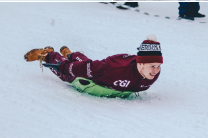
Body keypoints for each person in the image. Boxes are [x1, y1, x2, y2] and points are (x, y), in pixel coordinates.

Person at [24, 34, 163, 97]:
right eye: (152, 66)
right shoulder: (115, 68)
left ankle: (71, 54)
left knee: (91, 65)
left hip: (99, 72)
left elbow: (91, 66)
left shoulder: (151, 72)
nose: (156, 71)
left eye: (158, 66)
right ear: (141, 63)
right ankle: (47, 54)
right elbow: (87, 68)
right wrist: (62, 67)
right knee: (68, 74)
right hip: (92, 84)